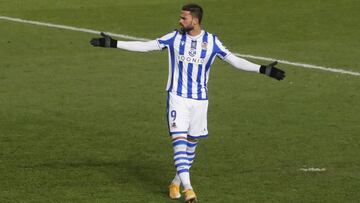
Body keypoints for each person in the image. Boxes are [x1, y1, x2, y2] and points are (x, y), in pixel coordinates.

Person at [90, 3, 285, 203]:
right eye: (180, 18)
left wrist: (263, 70)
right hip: (178, 98)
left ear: (195, 20)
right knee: (179, 143)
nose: (180, 21)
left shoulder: (211, 42)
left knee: (191, 145)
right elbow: (147, 45)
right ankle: (189, 190)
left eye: (184, 18)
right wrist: (113, 43)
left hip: (200, 101)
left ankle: (176, 182)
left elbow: (235, 61)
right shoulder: (174, 38)